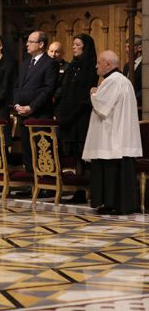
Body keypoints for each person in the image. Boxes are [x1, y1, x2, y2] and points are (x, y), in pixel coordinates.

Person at [82, 50, 142, 215]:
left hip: (111, 137)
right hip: (119, 136)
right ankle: (116, 204)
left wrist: (93, 93)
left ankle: (111, 203)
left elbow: (103, 107)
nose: (96, 66)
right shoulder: (123, 80)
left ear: (108, 64)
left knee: (111, 169)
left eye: (99, 63)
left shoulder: (113, 81)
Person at [13, 30, 58, 172]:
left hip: (39, 114)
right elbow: (16, 86)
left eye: (31, 41)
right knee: (27, 150)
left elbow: (49, 89)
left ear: (41, 44)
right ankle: (31, 182)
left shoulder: (50, 63)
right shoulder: (25, 63)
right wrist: (17, 104)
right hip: (22, 113)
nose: (26, 44)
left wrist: (31, 107)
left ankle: (45, 183)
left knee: (41, 150)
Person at [58, 34, 98, 159]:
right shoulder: (71, 65)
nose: (74, 47)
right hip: (67, 115)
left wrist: (72, 115)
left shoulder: (92, 67)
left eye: (77, 45)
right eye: (73, 44)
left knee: (80, 152)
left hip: (81, 115)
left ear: (85, 48)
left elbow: (86, 94)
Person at [48, 41, 69, 116]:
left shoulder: (67, 67)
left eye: (57, 52)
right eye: (51, 51)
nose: (53, 54)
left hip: (59, 102)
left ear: (62, 53)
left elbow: (65, 84)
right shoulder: (44, 66)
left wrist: (54, 96)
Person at [123, 34, 142, 105]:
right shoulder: (127, 66)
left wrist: (132, 98)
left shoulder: (146, 65)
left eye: (128, 47)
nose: (126, 50)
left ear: (139, 48)